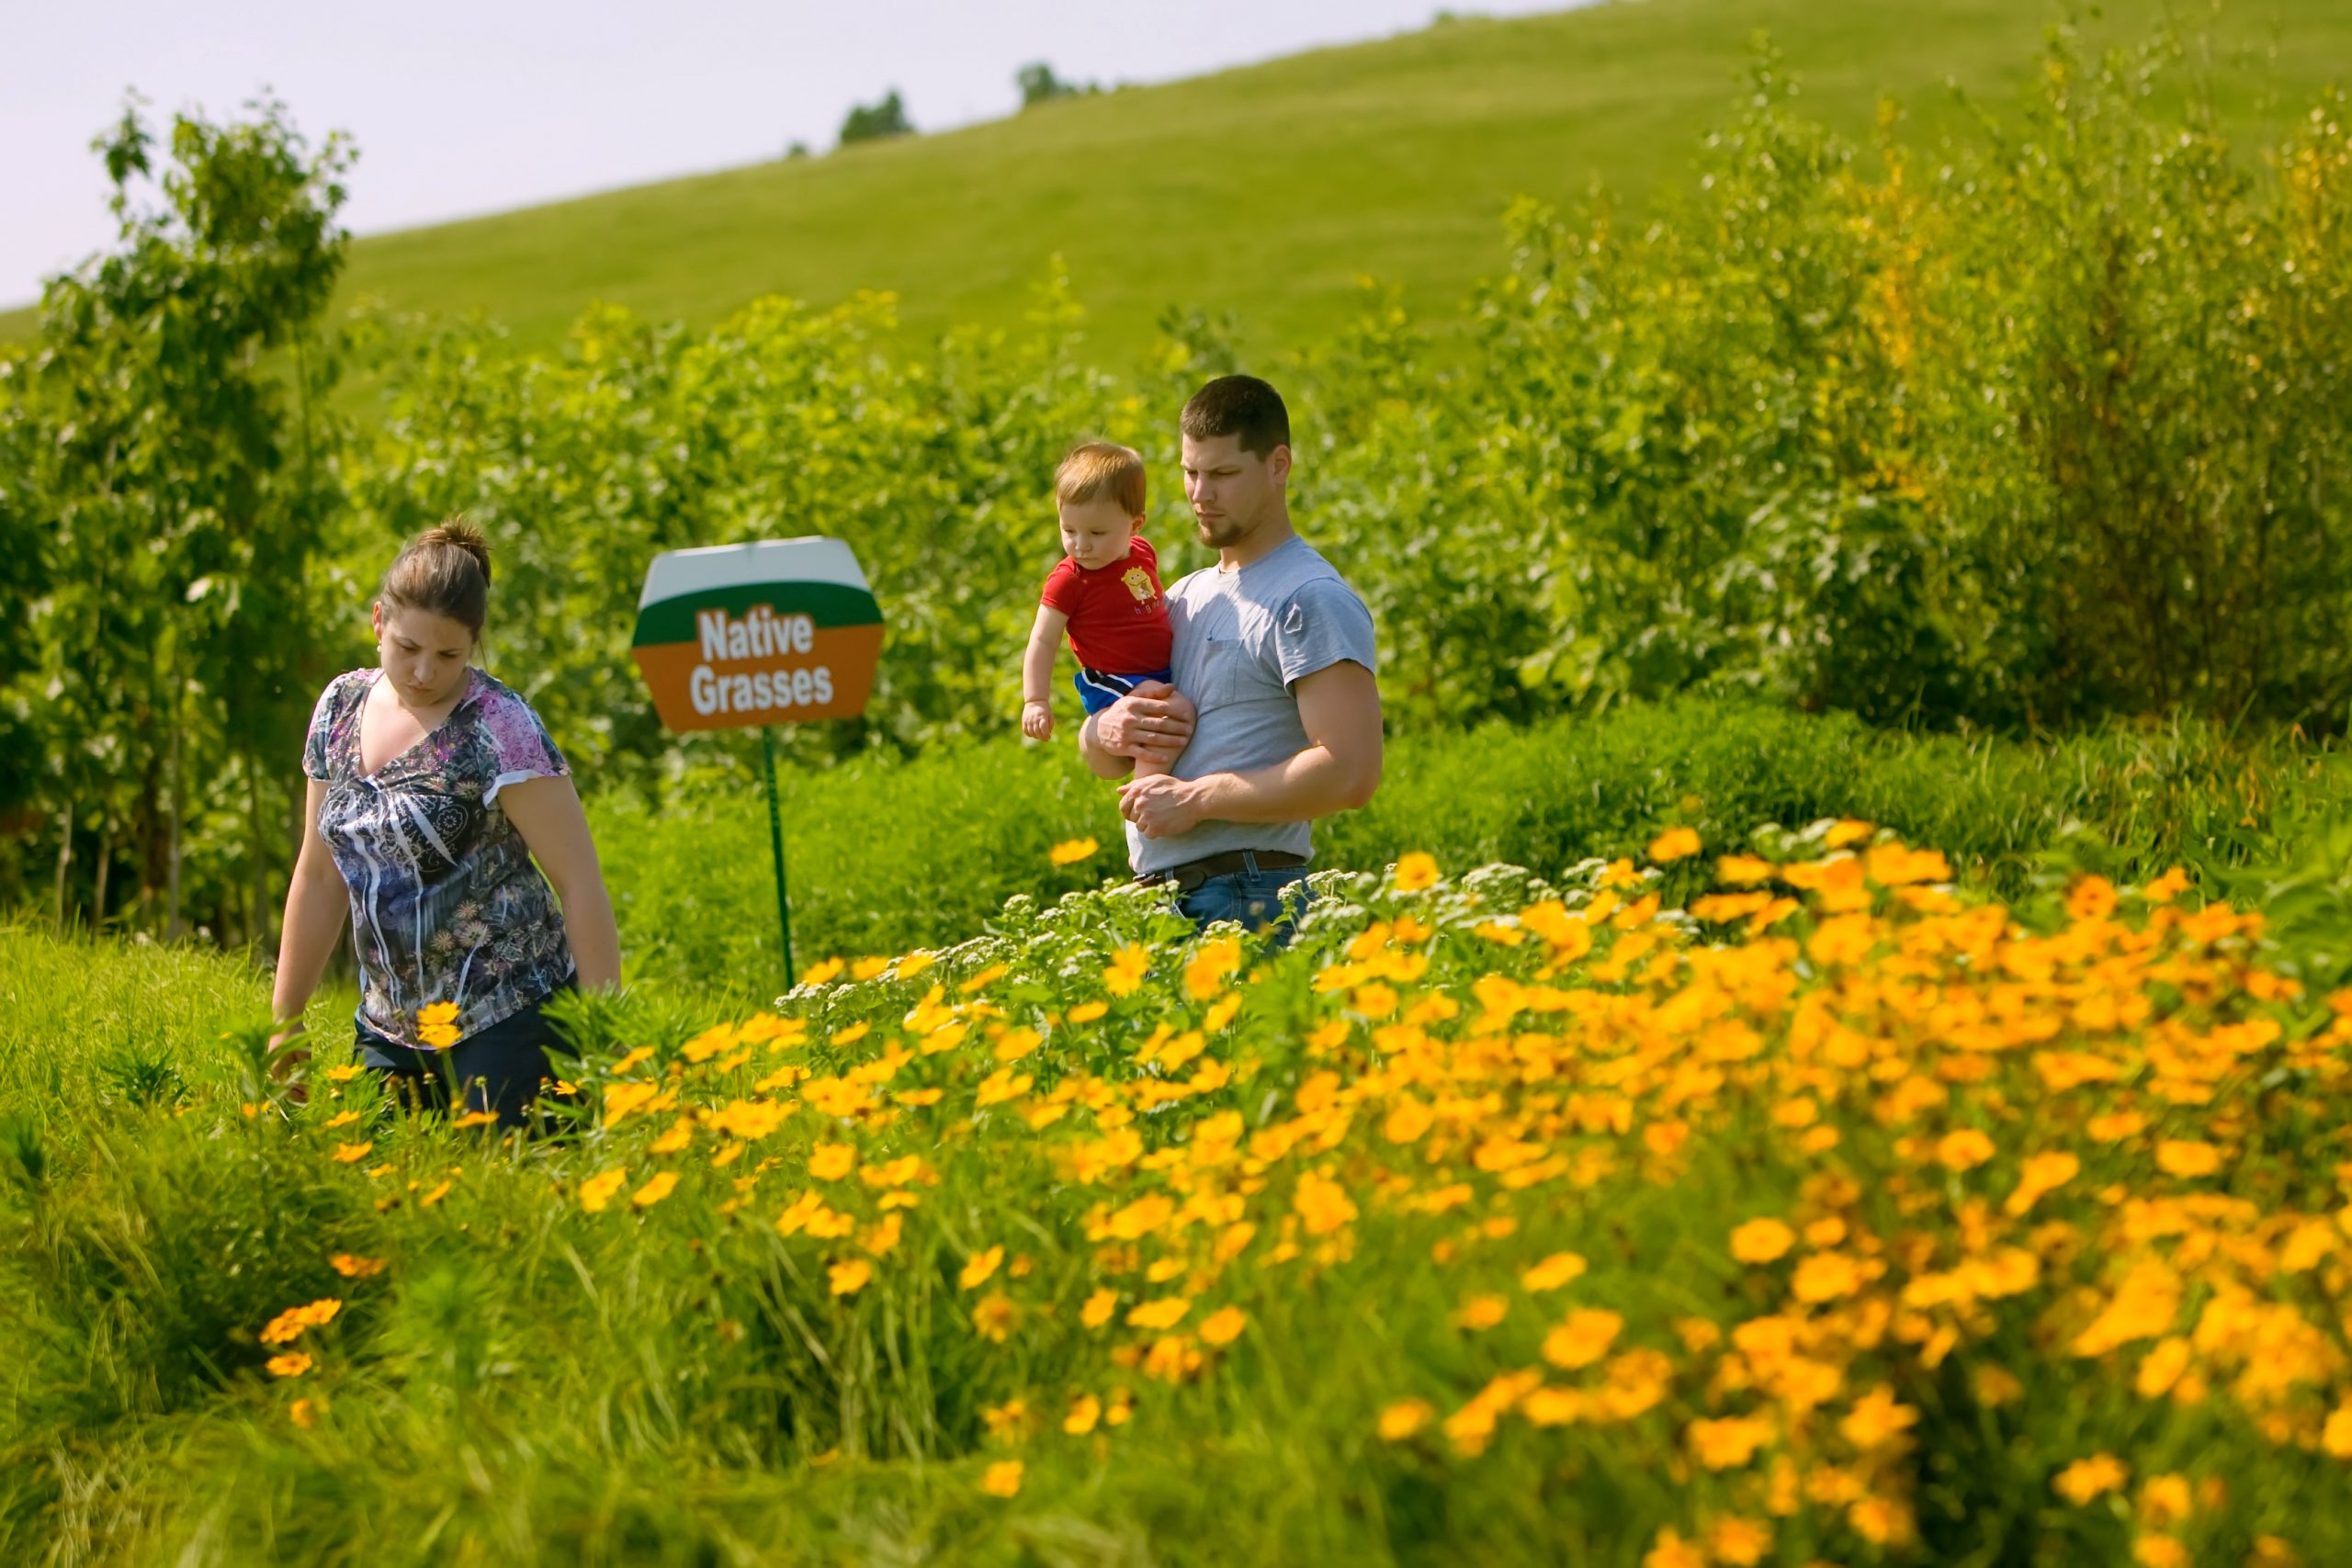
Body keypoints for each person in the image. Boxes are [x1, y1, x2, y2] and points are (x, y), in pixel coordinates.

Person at [267, 520, 622, 1129]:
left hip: (509, 1017)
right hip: (389, 1027)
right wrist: (285, 1020)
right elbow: (320, 874)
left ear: (474, 645)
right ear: (378, 621)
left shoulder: (499, 727)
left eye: (449, 654)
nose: (426, 672)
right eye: (408, 648)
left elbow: (579, 882)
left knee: (507, 1203)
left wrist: (606, 1041)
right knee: (383, 1200)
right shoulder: (338, 710)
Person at [1079, 375, 1382, 935]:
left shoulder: (1309, 597)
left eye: (1222, 474)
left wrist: (1197, 800)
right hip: (1159, 905)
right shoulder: (1184, 596)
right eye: (1191, 473)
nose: (1200, 494)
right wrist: (1107, 729)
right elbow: (1105, 760)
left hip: (1248, 894)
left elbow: (1352, 772)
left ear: (1278, 465)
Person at [1021, 440, 1175, 777]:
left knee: (1175, 710)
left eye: (1096, 532)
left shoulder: (1142, 553)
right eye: (1069, 530)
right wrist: (1036, 700)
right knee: (1159, 709)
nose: (1081, 544)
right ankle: (1146, 787)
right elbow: (1043, 640)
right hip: (1113, 678)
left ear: (1135, 525)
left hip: (1161, 669)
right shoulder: (1070, 581)